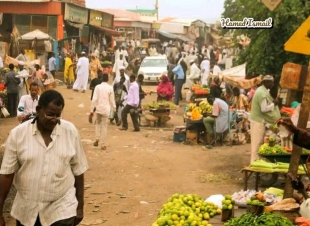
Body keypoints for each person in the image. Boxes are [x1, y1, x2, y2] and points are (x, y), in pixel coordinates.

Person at [0, 90, 88, 226]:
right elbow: (7, 174)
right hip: (27, 210)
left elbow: (78, 171)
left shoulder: (70, 132)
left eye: (58, 115)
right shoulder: (18, 134)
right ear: (38, 110)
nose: (54, 119)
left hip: (62, 207)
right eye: (50, 114)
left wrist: (80, 207)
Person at [250, 75, 281, 163]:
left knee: (258, 144)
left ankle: (257, 162)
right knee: (257, 145)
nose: (272, 84)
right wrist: (274, 104)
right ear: (266, 82)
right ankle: (255, 163)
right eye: (271, 82)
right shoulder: (261, 93)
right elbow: (264, 109)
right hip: (257, 121)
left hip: (258, 121)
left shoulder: (262, 90)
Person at [90, 73, 116, 150]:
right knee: (104, 126)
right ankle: (103, 144)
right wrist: (114, 109)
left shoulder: (97, 87)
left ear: (101, 79)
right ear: (108, 79)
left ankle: (97, 139)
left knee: (97, 124)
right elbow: (112, 100)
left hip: (99, 109)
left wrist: (92, 110)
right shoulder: (110, 88)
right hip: (106, 109)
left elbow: (94, 99)